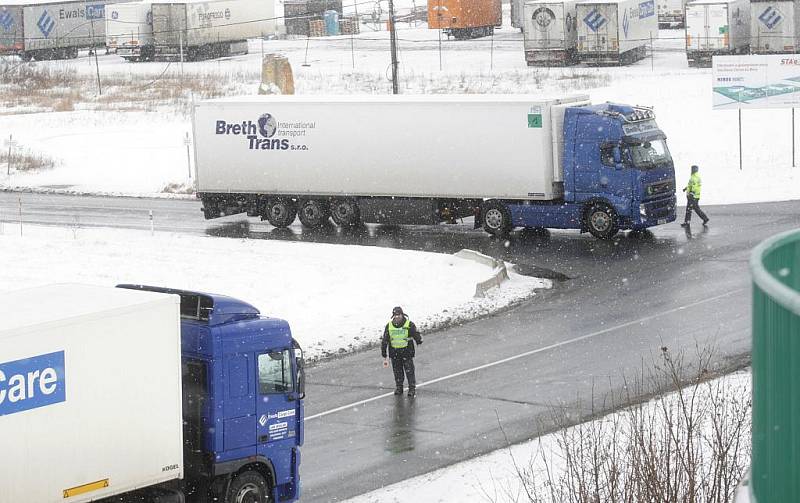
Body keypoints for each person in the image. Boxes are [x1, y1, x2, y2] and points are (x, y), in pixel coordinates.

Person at [381, 306, 422, 397]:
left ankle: (412, 388)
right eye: (395, 315)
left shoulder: (408, 324)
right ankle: (399, 387)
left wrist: (418, 340)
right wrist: (384, 352)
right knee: (397, 371)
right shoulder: (389, 326)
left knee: (409, 371)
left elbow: (415, 334)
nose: (397, 317)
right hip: (394, 353)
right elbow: (385, 340)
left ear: (402, 315)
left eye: (399, 315)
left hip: (406, 352)